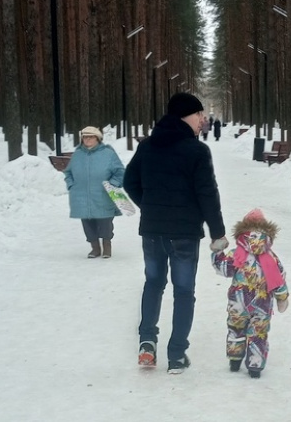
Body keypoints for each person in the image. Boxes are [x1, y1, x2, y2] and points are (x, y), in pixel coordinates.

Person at [124, 92, 229, 374]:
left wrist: (149, 206)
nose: (203, 120)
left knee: (153, 284)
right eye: (198, 115)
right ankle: (176, 355)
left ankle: (147, 343)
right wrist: (217, 233)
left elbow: (129, 181)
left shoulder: (147, 147)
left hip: (153, 231)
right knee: (184, 291)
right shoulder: (196, 151)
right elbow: (207, 194)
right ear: (184, 115)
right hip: (184, 234)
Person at [211, 208, 289, 379]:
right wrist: (282, 297)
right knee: (258, 333)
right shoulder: (271, 257)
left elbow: (223, 268)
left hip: (237, 303)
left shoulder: (236, 253)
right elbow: (279, 280)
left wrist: (217, 252)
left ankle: (234, 360)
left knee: (236, 329)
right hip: (261, 305)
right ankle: (255, 367)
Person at [63, 126, 125, 259]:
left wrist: (112, 184)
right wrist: (71, 185)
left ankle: (107, 246)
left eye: (90, 137)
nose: (87, 139)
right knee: (87, 222)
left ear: (98, 138)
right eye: (85, 137)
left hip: (103, 195)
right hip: (81, 196)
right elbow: (68, 173)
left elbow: (120, 172)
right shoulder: (78, 154)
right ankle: (95, 248)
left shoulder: (108, 154)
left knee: (105, 221)